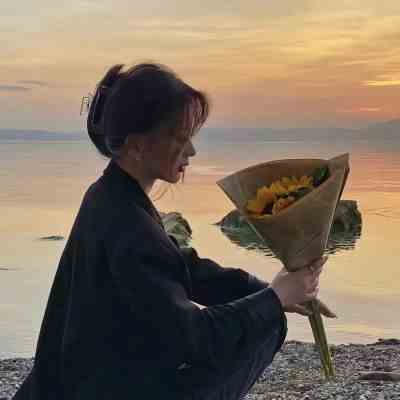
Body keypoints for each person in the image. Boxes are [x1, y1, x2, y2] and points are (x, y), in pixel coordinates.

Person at [12, 63, 333, 400]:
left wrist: (270, 290)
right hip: (103, 388)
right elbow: (195, 339)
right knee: (266, 323)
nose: (191, 150)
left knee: (265, 315)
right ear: (137, 146)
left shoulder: (110, 194)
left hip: (87, 378)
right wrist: (274, 300)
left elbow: (183, 268)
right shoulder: (126, 222)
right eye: (180, 138)